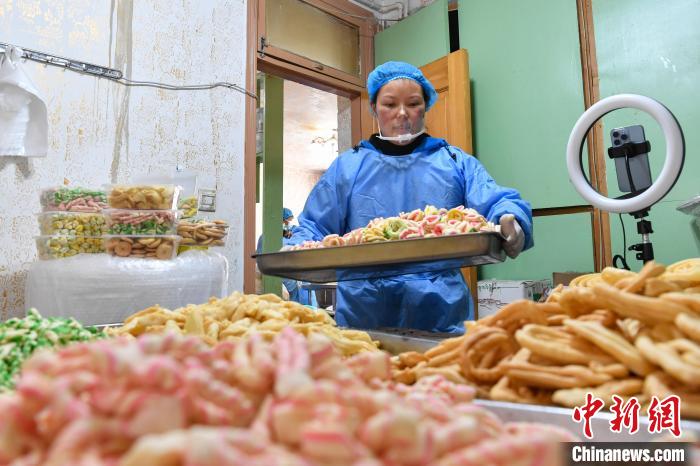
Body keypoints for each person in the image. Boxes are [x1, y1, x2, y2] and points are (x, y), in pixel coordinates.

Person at [288, 61, 532, 333]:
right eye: (390, 104)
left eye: (413, 103)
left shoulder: (454, 162)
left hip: (441, 312)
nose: (402, 114)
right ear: (374, 109)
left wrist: (512, 220)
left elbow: (497, 200)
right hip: (365, 313)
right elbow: (314, 227)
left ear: (426, 106)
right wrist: (294, 250)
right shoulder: (348, 167)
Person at [257, 208, 317, 306]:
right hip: (282, 283)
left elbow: (304, 243)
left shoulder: (296, 232)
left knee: (308, 312)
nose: (287, 223)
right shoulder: (266, 237)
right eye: (285, 221)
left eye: (289, 220)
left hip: (302, 284)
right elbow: (262, 261)